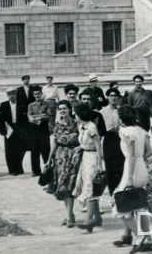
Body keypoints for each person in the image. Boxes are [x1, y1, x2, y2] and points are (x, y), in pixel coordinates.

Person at [112, 105, 152, 252]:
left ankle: (139, 236)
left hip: (131, 169)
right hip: (142, 167)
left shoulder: (124, 132)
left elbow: (130, 156)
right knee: (141, 206)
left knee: (119, 205)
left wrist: (129, 177)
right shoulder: (141, 130)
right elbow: (149, 152)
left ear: (122, 117)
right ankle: (148, 240)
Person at [48, 100, 81, 228]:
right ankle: (69, 214)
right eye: (60, 108)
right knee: (61, 185)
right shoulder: (56, 125)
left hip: (73, 156)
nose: (62, 110)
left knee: (69, 185)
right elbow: (54, 142)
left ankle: (69, 216)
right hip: (59, 157)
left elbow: (81, 139)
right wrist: (49, 159)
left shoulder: (76, 123)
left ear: (69, 109)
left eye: (65, 108)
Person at [73, 102, 104, 232]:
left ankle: (88, 219)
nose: (74, 116)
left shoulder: (91, 127)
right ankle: (96, 217)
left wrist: (99, 164)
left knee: (90, 186)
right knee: (88, 185)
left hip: (92, 158)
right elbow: (85, 142)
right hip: (85, 157)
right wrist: (80, 148)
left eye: (76, 114)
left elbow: (98, 145)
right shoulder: (82, 126)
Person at [102, 87, 124, 196]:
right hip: (109, 140)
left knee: (121, 166)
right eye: (111, 96)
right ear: (107, 97)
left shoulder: (122, 110)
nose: (113, 98)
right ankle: (112, 194)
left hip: (121, 139)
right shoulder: (103, 111)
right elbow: (105, 128)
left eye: (115, 96)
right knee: (110, 167)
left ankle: (121, 193)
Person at [0, 87, 25, 175]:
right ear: (7, 96)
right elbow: (1, 119)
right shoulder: (4, 105)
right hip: (8, 128)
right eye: (10, 94)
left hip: (19, 128)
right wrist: (3, 131)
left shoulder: (22, 104)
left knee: (20, 149)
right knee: (10, 150)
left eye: (13, 94)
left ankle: (19, 167)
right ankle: (12, 169)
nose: (12, 96)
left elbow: (25, 118)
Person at [27, 85, 51, 177]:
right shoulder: (30, 105)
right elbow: (29, 117)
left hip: (44, 130)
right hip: (34, 130)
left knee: (46, 150)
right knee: (34, 151)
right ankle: (36, 171)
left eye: (38, 93)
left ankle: (47, 169)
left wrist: (37, 117)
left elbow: (48, 116)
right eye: (35, 94)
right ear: (33, 95)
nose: (37, 95)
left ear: (41, 94)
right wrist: (40, 116)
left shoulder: (46, 104)